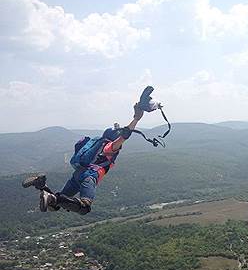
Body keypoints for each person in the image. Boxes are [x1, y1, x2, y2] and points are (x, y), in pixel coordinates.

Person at [22, 87, 160, 215]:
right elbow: (124, 136)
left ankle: (41, 184)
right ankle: (49, 194)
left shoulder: (97, 144)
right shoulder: (108, 148)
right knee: (84, 207)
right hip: (89, 176)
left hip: (77, 174)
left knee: (55, 204)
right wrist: (136, 118)